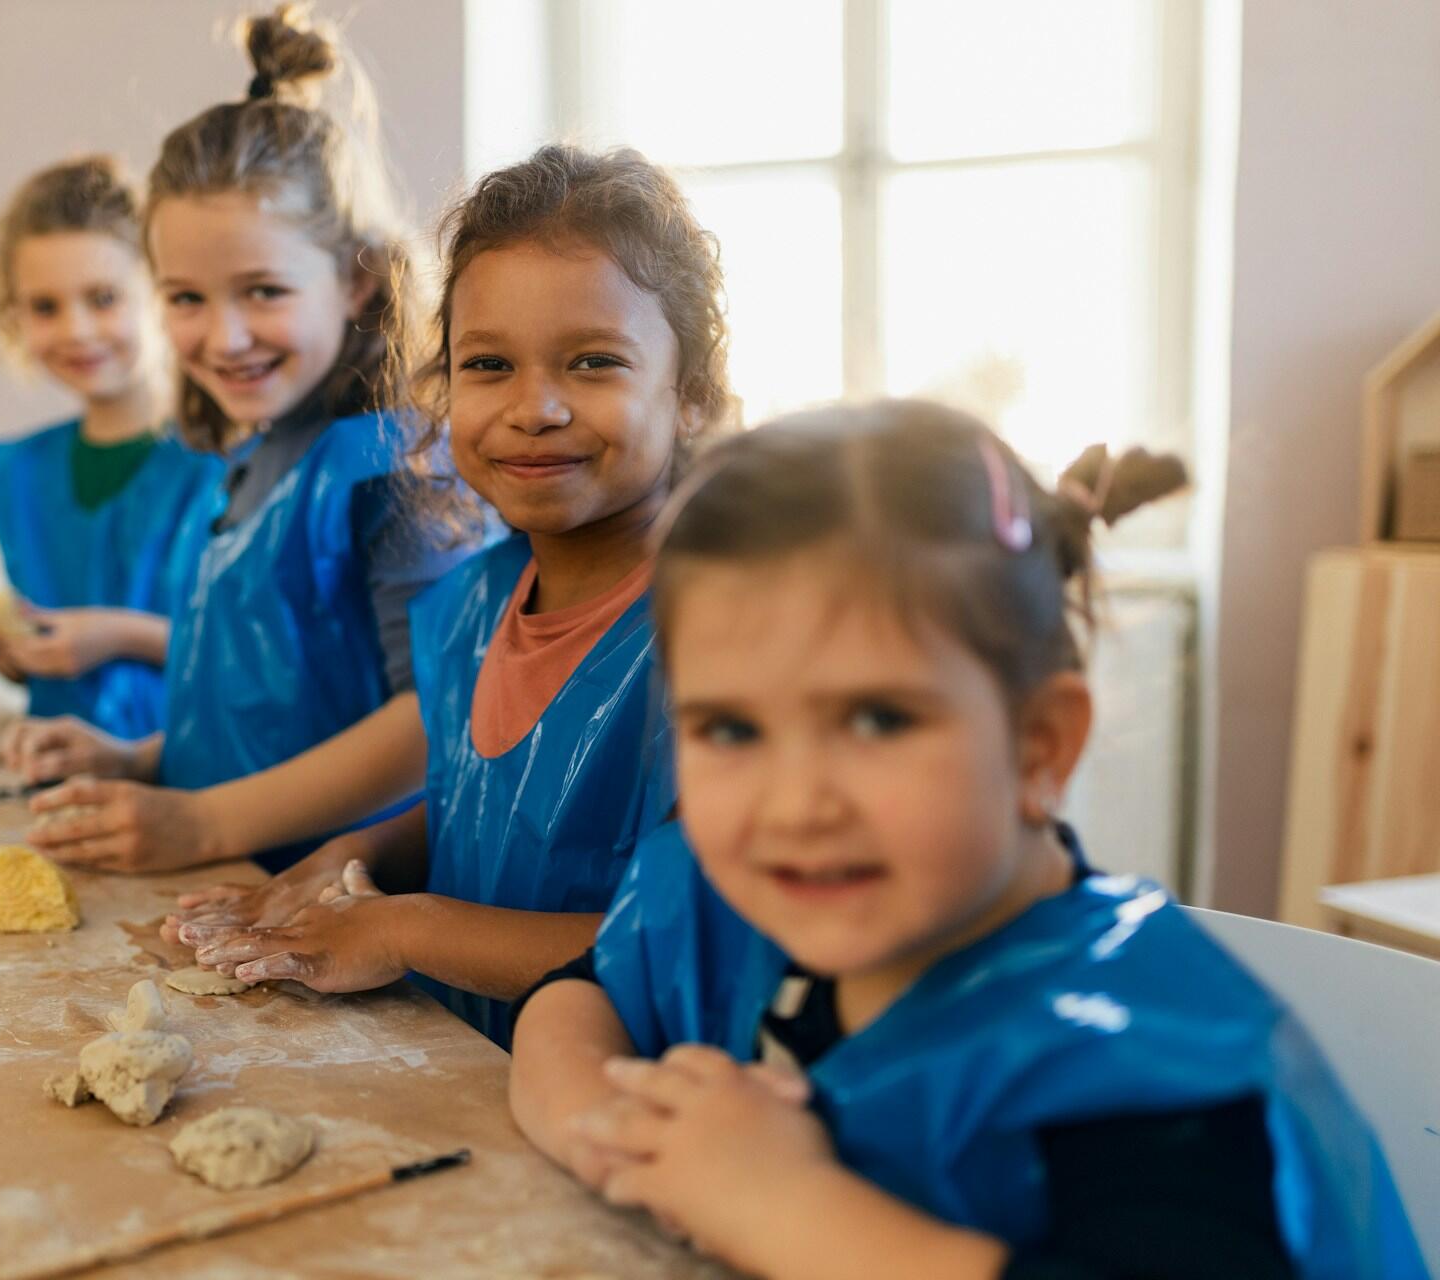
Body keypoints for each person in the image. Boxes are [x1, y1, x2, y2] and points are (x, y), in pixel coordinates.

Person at [510, 402, 1426, 1279]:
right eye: (731, 730)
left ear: (1038, 746)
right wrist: (622, 1132)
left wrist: (778, 1206)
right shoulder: (751, 898)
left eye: (876, 719)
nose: (792, 805)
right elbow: (573, 1003)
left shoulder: (1158, 1084)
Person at [167, 144, 732, 1044]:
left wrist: (404, 927)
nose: (534, 406)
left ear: (692, 395)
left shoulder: (722, 639)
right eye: (488, 365)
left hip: (628, 1122)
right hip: (478, 1088)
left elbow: (693, 945)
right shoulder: (471, 605)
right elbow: (491, 809)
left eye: (592, 362)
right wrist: (363, 853)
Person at [0, 3, 480, 871]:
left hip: (364, 917)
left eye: (263, 290)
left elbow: (433, 722)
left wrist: (205, 824)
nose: (223, 339)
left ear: (357, 282)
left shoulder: (394, 467)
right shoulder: (250, 460)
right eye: (186, 298)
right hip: (242, 897)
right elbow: (273, 712)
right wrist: (140, 763)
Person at [0, 155, 216, 736]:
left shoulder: (225, 463)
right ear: (12, 314)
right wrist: (12, 646)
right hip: (62, 781)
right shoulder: (18, 475)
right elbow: (59, 681)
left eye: (103, 298)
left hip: (206, 790)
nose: (76, 330)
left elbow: (273, 668)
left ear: (163, 294)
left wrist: (123, 637)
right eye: (45, 307)